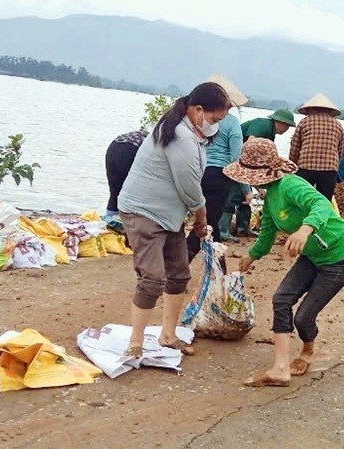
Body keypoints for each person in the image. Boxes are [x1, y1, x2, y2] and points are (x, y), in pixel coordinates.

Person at [225, 138, 344, 387]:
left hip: (339, 258)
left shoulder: (290, 184)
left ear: (262, 173)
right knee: (281, 298)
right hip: (311, 257)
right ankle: (280, 368)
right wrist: (251, 256)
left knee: (304, 317)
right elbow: (267, 233)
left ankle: (308, 350)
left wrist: (305, 229)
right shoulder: (271, 198)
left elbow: (321, 203)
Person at [117, 81, 231, 357]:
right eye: (214, 118)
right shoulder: (179, 135)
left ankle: (168, 336)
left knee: (179, 274)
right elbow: (189, 186)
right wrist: (201, 217)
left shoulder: (190, 133)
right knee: (153, 279)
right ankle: (136, 342)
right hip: (144, 212)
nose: (214, 125)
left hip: (170, 216)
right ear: (198, 109)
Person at [220, 109, 297, 241]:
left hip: (248, 163)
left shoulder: (270, 133)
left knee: (243, 197)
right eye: (287, 125)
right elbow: (251, 144)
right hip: (237, 159)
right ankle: (223, 230)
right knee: (234, 194)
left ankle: (242, 228)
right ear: (279, 122)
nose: (287, 129)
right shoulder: (263, 124)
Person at [185, 108, 243, 263]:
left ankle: (220, 266)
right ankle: (179, 266)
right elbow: (236, 156)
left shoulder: (199, 118)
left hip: (199, 171)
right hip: (219, 175)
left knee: (212, 219)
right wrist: (245, 188)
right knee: (208, 222)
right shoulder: (232, 122)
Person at [289, 93, 344, 200]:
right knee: (324, 201)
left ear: (310, 109)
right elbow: (340, 151)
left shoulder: (304, 122)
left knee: (302, 198)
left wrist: (292, 167)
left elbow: (295, 147)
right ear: (330, 111)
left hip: (306, 167)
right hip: (329, 169)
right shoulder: (338, 125)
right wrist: (335, 167)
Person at [104, 130, 147, 229]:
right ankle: (128, 229)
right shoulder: (164, 147)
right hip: (131, 150)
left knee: (115, 193)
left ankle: (110, 224)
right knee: (136, 198)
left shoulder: (154, 139)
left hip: (114, 146)